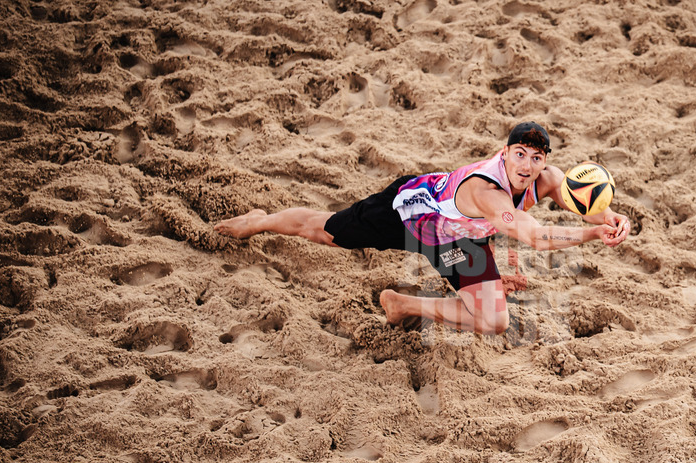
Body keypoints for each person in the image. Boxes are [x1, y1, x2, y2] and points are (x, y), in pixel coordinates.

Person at [214, 122, 631, 335]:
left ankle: (400, 305)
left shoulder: (548, 177)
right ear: (504, 153)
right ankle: (259, 221)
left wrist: (606, 216)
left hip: (456, 239)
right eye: (519, 154)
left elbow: (578, 198)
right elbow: (535, 236)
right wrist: (592, 236)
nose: (527, 165)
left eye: (536, 158)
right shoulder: (487, 191)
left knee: (494, 321)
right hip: (411, 213)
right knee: (324, 231)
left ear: (545, 162)